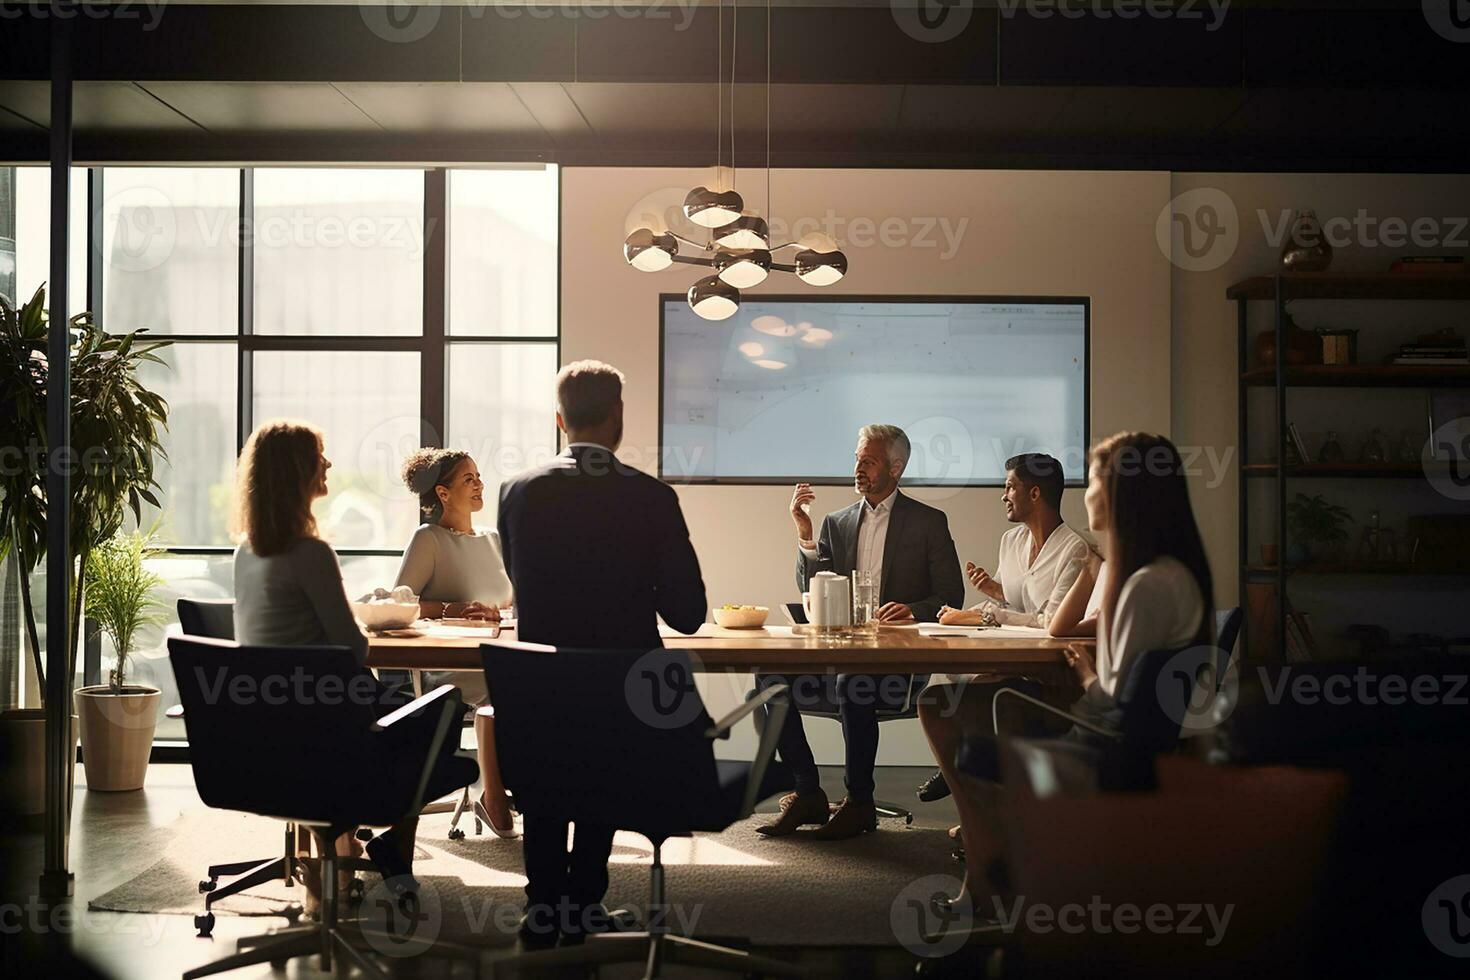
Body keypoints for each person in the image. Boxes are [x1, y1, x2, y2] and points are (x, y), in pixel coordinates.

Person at [944, 431, 1214, 910]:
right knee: (975, 705)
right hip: (1136, 746)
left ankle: (993, 874)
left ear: (1120, 493)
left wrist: (1084, 674)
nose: (1085, 492)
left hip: (1107, 753)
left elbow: (1110, 705)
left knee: (972, 740)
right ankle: (1012, 867)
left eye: (1093, 481)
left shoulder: (1144, 587)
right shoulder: (1170, 575)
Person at [497, 360, 706, 946]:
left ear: (559, 421)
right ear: (618, 418)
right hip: (627, 712)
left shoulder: (516, 492)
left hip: (537, 703)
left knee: (552, 761)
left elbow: (524, 585)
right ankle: (585, 902)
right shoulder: (651, 497)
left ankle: (544, 908)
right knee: (601, 748)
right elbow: (688, 615)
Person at [231, 420, 476, 903]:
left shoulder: (247, 552)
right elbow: (355, 649)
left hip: (267, 738)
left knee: (401, 705)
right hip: (327, 738)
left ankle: (343, 846)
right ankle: (388, 846)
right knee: (443, 710)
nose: (328, 464)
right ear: (297, 472)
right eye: (319, 456)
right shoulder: (311, 554)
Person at [754, 424, 964, 841]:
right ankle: (807, 792)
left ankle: (859, 803)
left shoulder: (928, 522)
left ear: (896, 467)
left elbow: (950, 595)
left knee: (855, 682)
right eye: (857, 459)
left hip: (893, 667)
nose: (858, 467)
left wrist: (913, 610)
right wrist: (806, 536)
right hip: (836, 660)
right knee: (766, 682)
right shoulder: (837, 522)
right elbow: (813, 587)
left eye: (867, 461)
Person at [917, 453, 1092, 804]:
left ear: (1035, 494)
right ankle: (963, 780)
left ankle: (972, 784)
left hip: (1047, 673)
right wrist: (992, 597)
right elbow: (1009, 606)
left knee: (975, 690)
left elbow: (1049, 623)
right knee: (941, 688)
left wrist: (982, 614)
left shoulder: (1075, 550)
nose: (1003, 494)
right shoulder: (1010, 541)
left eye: (1010, 486)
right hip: (1011, 658)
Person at [394, 448, 517, 838]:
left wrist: (499, 613)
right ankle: (493, 795)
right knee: (502, 693)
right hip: (453, 666)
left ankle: (530, 790)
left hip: (501, 653)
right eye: (469, 479)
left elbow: (511, 599)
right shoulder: (428, 538)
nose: (480, 484)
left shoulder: (493, 538)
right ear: (443, 494)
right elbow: (401, 603)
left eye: (479, 476)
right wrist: (452, 607)